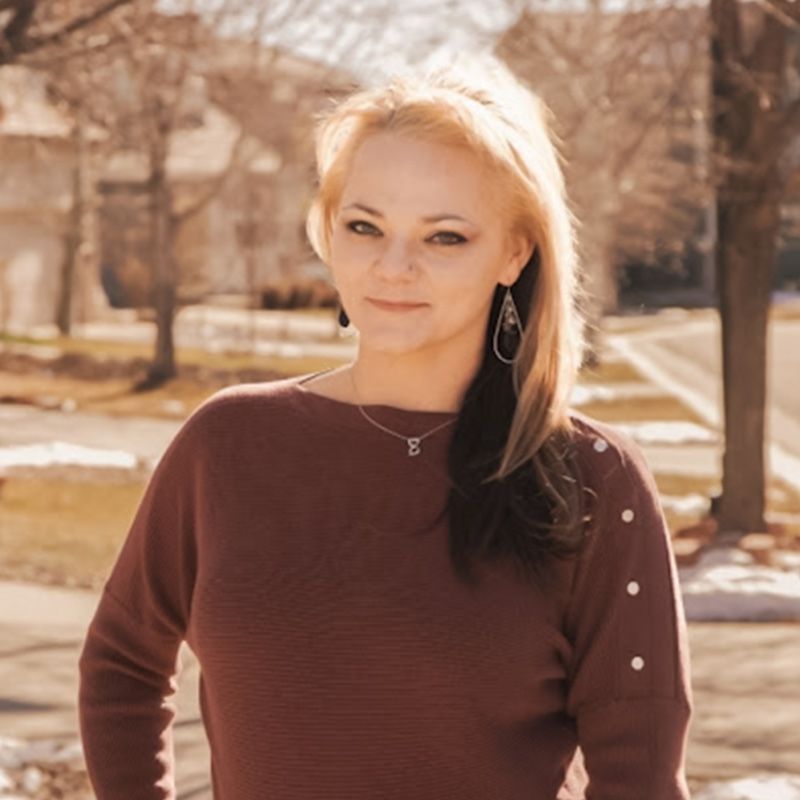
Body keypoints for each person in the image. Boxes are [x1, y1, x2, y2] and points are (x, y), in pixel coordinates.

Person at [78, 55, 693, 799]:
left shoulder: (591, 478)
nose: (392, 266)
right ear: (329, 233)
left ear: (514, 251)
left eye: (444, 237)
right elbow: (122, 662)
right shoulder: (228, 444)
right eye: (365, 226)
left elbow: (641, 778)